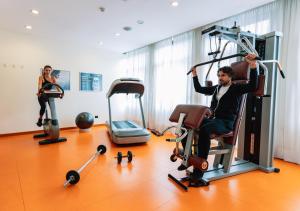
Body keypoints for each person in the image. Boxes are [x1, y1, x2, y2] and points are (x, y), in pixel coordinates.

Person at [182, 53, 258, 186]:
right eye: (218, 75)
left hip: (225, 123)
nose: (220, 78)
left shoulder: (236, 88)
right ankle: (188, 158)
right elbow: (199, 89)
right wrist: (194, 74)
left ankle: (200, 171)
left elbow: (253, 86)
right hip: (213, 119)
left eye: (223, 75)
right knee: (187, 124)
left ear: (230, 76)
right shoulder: (217, 88)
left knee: (204, 130)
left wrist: (253, 66)